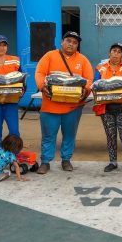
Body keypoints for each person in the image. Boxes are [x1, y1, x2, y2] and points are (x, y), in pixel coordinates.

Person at [34, 31, 93, 174]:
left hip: (73, 107)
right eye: (68, 41)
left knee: (69, 134)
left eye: (74, 42)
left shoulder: (83, 60)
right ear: (62, 42)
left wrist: (84, 91)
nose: (71, 44)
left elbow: (89, 80)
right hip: (50, 106)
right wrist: (42, 86)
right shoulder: (49, 56)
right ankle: (46, 161)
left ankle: (66, 160)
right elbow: (40, 73)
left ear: (77, 45)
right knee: (48, 135)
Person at [93, 42, 122, 174]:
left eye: (119, 52)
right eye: (114, 51)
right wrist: (96, 93)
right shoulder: (100, 68)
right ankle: (113, 162)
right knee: (110, 136)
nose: (116, 54)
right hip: (106, 108)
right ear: (109, 53)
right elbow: (94, 84)